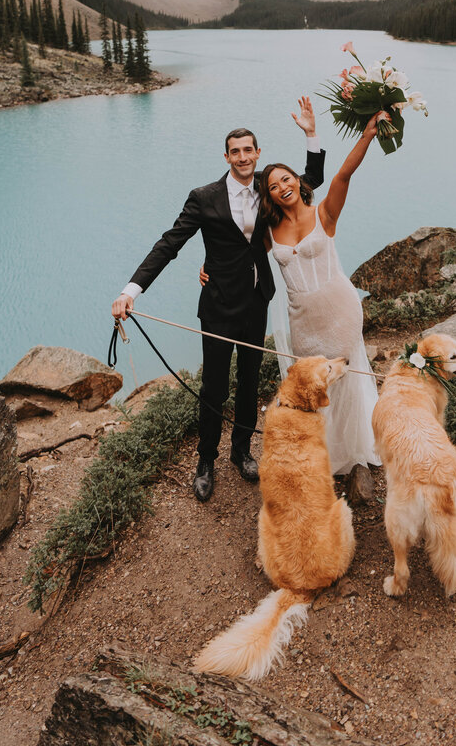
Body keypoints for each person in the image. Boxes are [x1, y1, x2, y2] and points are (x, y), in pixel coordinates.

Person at [111, 98, 325, 503]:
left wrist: (311, 133)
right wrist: (130, 290)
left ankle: (241, 450)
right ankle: (205, 460)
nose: (243, 157)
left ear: (257, 154)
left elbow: (311, 178)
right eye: (235, 151)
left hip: (257, 300)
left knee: (248, 383)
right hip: (218, 304)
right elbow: (169, 243)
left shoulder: (269, 185)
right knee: (213, 387)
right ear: (226, 156)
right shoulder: (203, 197)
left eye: (249, 150)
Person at [256, 112, 383, 486]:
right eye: (274, 185)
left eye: (286, 178)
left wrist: (367, 135)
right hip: (302, 317)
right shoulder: (268, 231)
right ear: (269, 195)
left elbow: (342, 174)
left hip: (338, 308)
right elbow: (236, 252)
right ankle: (321, 452)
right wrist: (208, 266)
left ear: (297, 181)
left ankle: (354, 451)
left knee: (343, 378)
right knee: (311, 383)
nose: (282, 187)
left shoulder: (323, 213)